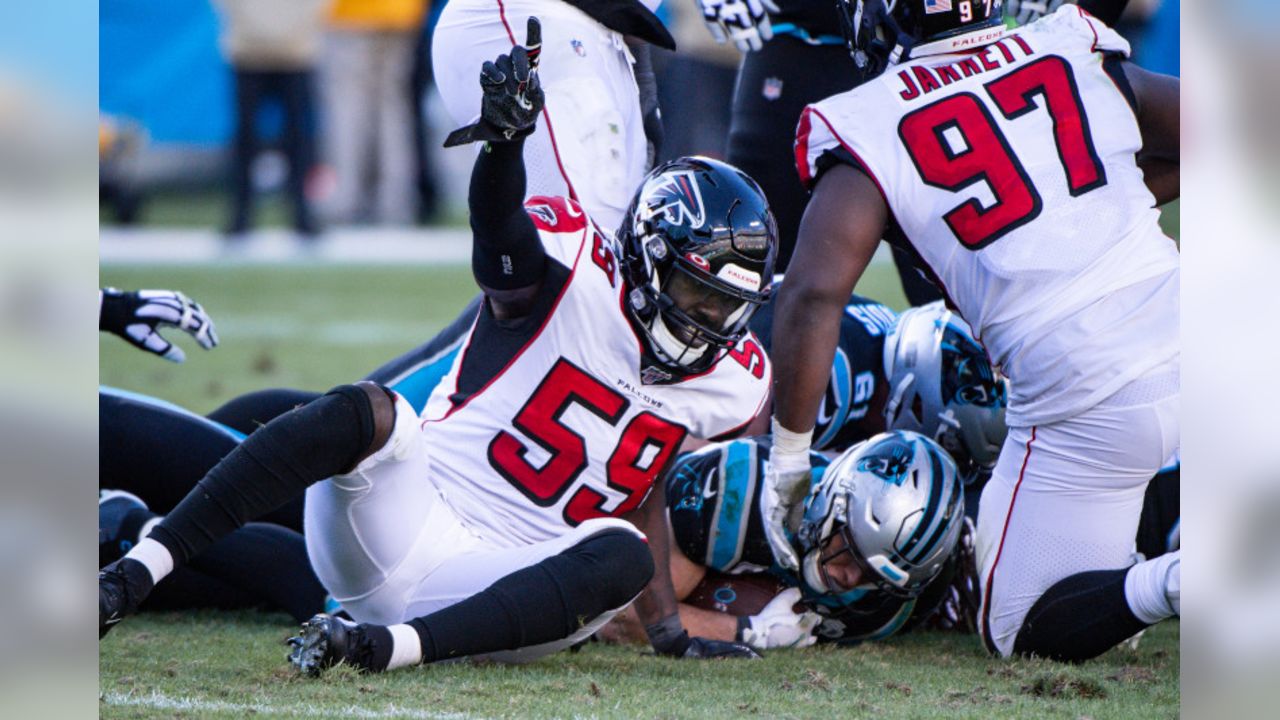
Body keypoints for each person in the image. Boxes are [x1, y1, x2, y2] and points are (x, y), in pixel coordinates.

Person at [100, 22, 780, 674]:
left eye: (730, 306)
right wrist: (503, 149)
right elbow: (500, 239)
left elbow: (644, 487)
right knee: (366, 409)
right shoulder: (573, 270)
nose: (710, 323)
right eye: (699, 297)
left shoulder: (735, 380)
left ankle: (385, 648)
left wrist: (668, 633)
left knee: (622, 555)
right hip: (407, 514)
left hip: (508, 585)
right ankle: (135, 569)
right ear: (648, 261)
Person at [766, 1, 1180, 663]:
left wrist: (788, 458)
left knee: (1017, 627)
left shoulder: (869, 117)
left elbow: (814, 290)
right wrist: (1097, 205)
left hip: (1081, 395)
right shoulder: (1066, 43)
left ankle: (1182, 579)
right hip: (1193, 330)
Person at [604, 431, 971, 649]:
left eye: (878, 579)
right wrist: (751, 632)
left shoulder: (892, 602)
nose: (850, 580)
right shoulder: (737, 497)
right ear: (833, 506)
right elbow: (625, 617)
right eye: (853, 554)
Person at [432, 0, 673, 231]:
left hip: (606, 32)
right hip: (540, 17)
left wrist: (641, 67)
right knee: (580, 232)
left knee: (619, 234)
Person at [213, 0, 330, 238]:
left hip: (295, 49)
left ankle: (301, 211)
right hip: (248, 48)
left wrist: (299, 26)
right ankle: (241, 212)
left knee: (298, 136)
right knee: (245, 137)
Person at [320, 0, 430, 225]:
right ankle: (396, 199)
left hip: (350, 14)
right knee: (392, 107)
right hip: (401, 13)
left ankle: (346, 196)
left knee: (348, 106)